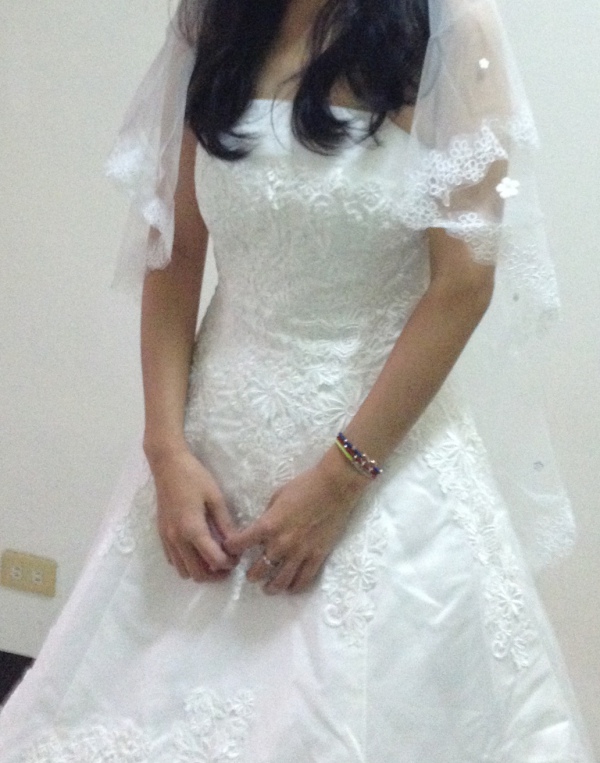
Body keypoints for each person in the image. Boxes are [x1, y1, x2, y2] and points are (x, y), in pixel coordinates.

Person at [0, 0, 596, 760]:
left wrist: (340, 481)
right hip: (208, 454)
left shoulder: (450, 28)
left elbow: (462, 285)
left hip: (377, 454)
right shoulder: (216, 22)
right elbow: (175, 254)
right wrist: (166, 450)